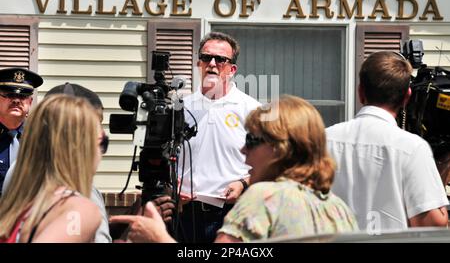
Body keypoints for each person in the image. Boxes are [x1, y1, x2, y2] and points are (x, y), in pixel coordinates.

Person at [109, 95, 358, 242]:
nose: (242, 151)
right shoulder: (337, 208)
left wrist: (159, 238)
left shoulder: (263, 198)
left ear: (279, 148)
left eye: (251, 140)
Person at [326, 51, 449, 231]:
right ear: (407, 97)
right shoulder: (412, 148)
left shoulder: (323, 139)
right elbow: (432, 224)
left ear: (361, 92)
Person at [176, 31, 261, 242]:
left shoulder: (252, 109)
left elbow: (271, 162)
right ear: (199, 64)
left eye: (220, 59)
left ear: (232, 69)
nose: (212, 63)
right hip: (185, 215)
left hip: (232, 213)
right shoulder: (180, 108)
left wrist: (243, 183)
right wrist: (171, 186)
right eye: (206, 58)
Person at [0, 95, 103, 242]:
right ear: (80, 147)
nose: (102, 152)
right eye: (102, 142)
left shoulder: (19, 208)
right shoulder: (78, 208)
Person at [0, 67, 43, 195]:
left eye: (22, 95)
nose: (16, 100)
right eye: (9, 94)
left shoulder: (40, 139)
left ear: (30, 102)